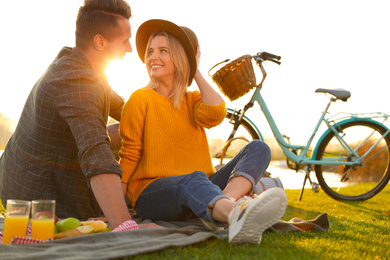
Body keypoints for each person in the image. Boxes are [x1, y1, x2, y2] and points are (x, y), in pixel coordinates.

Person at [119, 19, 288, 244]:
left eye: (163, 51)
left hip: (200, 186)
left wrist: (194, 68)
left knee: (259, 148)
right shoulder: (140, 99)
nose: (153, 57)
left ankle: (225, 203)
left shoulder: (193, 100)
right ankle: (235, 215)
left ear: (180, 59)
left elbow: (217, 112)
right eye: (150, 52)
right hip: (152, 193)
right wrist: (118, 213)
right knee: (194, 179)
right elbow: (129, 156)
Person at [0, 0, 155, 230]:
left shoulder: (89, 69)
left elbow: (127, 110)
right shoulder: (75, 80)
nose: (130, 48)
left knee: (129, 130)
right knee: (110, 140)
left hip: (46, 167)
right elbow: (96, 152)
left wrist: (160, 97)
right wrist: (125, 225)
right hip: (35, 198)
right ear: (99, 42)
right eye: (125, 40)